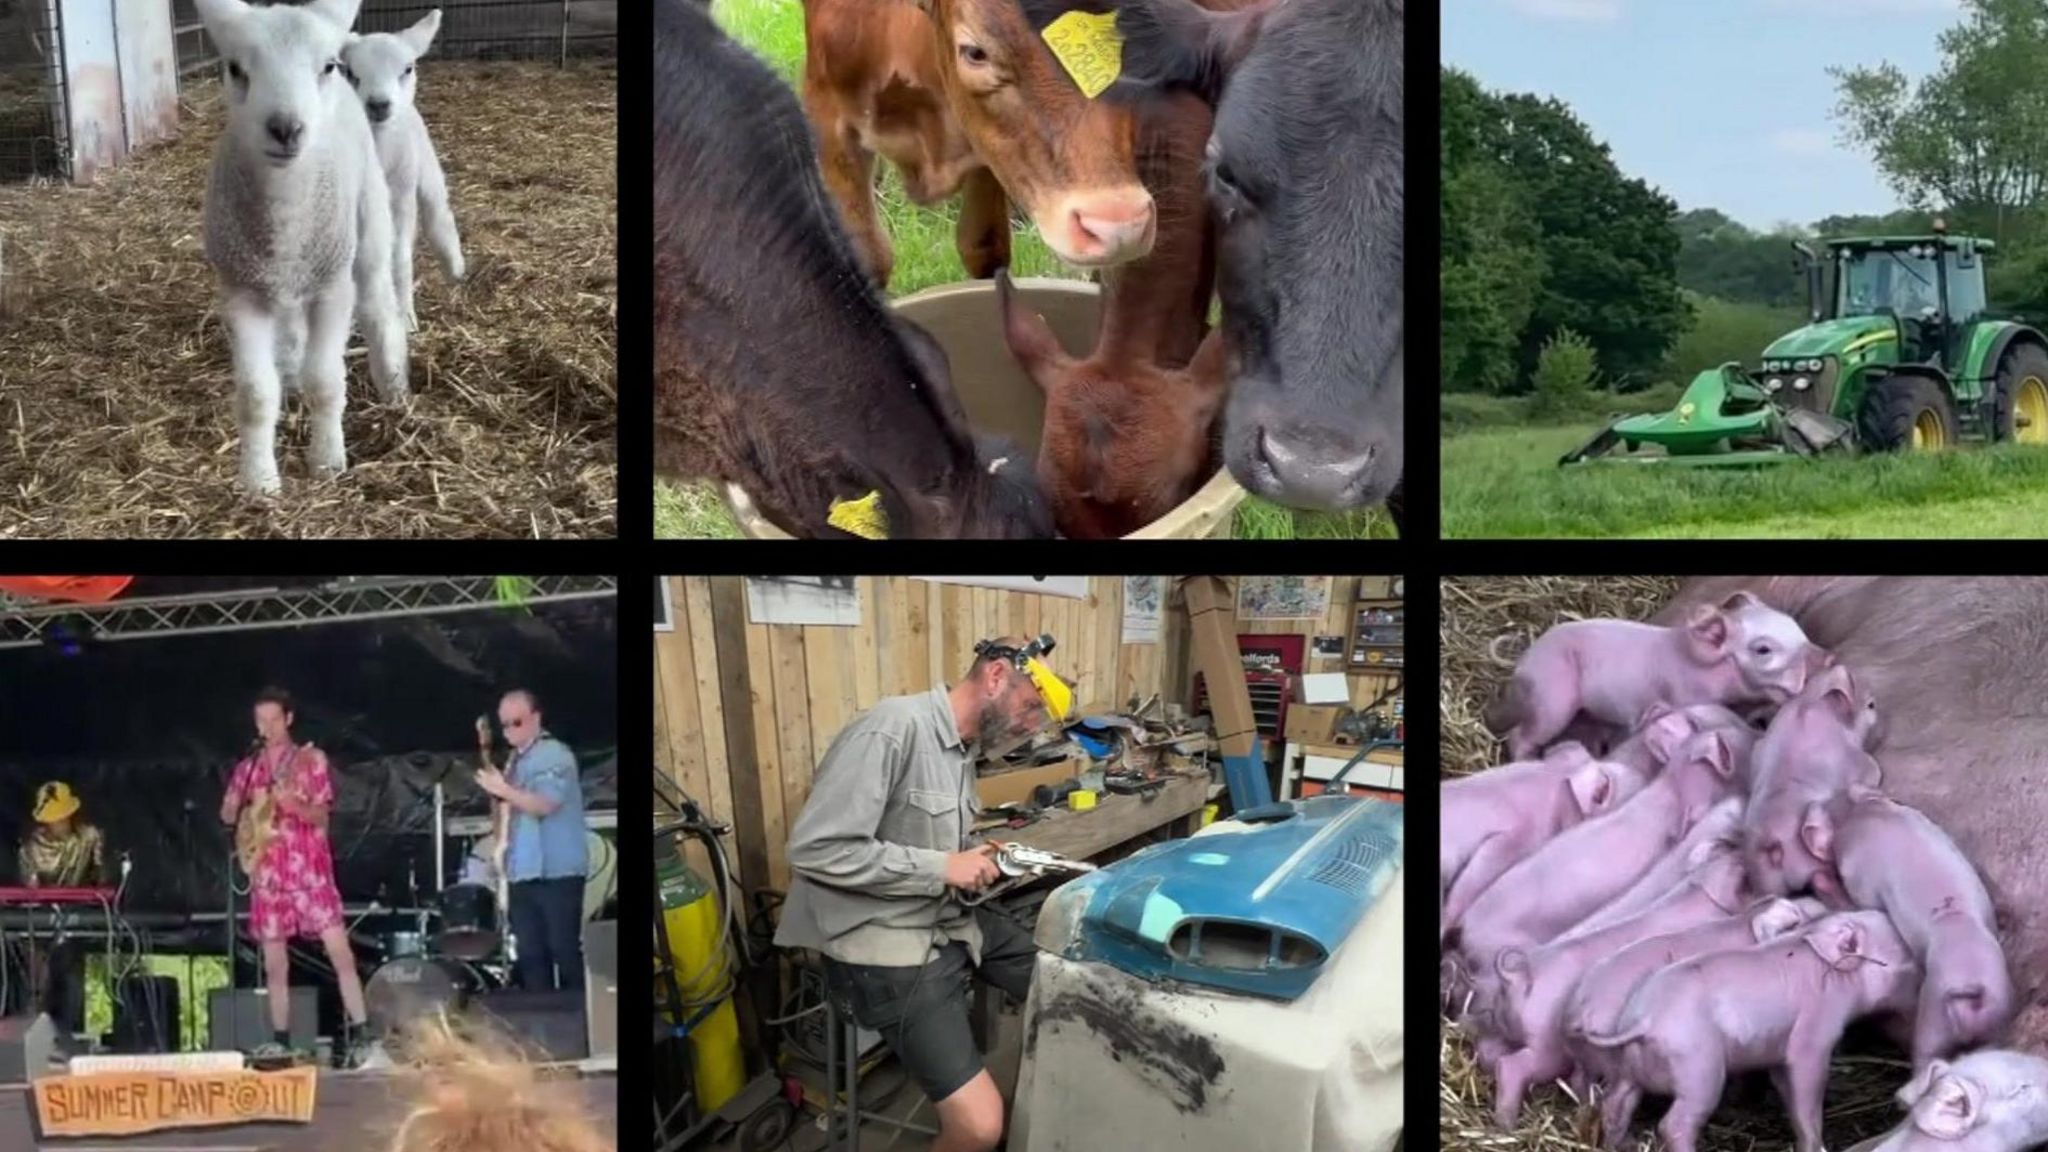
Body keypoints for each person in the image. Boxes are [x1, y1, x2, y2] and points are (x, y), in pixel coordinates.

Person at [774, 635, 1074, 1152]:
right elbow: (816, 849)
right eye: (1030, 707)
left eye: (1040, 716)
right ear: (997, 676)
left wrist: (980, 857)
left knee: (1066, 978)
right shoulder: (893, 728)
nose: (1031, 725)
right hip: (879, 941)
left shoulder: (961, 750)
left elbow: (924, 844)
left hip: (944, 918)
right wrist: (943, 866)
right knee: (980, 1126)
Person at [219, 686, 371, 1065]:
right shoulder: (248, 767)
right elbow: (227, 816)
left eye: (274, 719)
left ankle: (365, 1032)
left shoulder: (310, 760)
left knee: (340, 952)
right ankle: (281, 1040)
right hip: (269, 874)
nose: (267, 727)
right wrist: (233, 807)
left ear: (288, 719)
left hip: (308, 870)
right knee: (274, 962)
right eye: (261, 721)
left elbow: (322, 815)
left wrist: (294, 805)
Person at [477, 688, 587, 991]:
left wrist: (504, 791)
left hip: (557, 871)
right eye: (505, 724)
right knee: (530, 955)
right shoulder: (515, 761)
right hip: (522, 872)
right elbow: (509, 813)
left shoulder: (555, 754)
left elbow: (545, 805)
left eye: (517, 722)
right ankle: (543, 1027)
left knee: (563, 950)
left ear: (536, 717)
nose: (510, 731)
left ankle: (585, 1021)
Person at [17, 781, 106, 1032]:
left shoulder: (90, 837)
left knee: (71, 977)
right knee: (39, 981)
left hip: (76, 918)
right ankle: (34, 1035)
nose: (57, 823)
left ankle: (71, 1035)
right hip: (39, 923)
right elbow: (29, 891)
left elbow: (100, 879)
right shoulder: (31, 847)